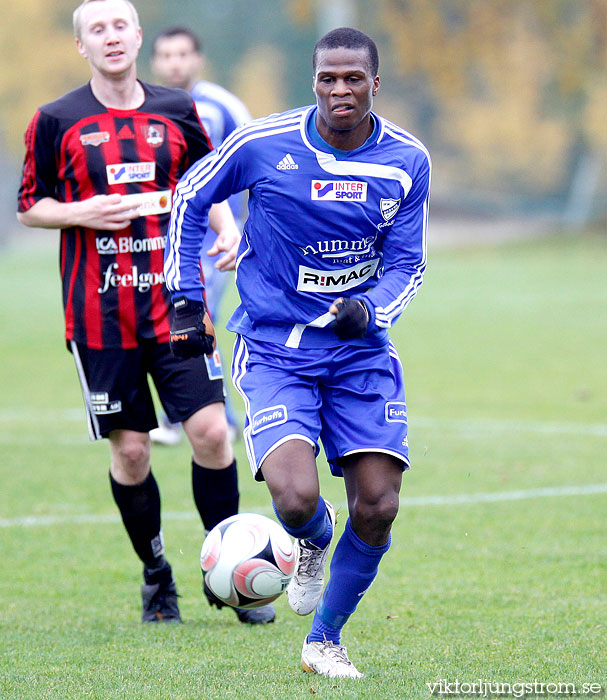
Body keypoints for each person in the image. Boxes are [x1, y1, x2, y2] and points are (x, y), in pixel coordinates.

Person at [164, 26, 431, 677]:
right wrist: (184, 298)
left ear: (375, 83)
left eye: (352, 79)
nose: (339, 90)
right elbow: (190, 196)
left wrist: (371, 310)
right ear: (313, 81)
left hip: (357, 351)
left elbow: (407, 263)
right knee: (291, 498)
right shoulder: (264, 143)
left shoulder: (407, 159)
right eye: (327, 79)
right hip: (275, 346)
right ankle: (312, 540)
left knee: (379, 503)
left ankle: (324, 640)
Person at [17, 0, 275, 625]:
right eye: (95, 30)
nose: (110, 38)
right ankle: (156, 573)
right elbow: (30, 205)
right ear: (82, 45)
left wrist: (226, 229)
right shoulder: (55, 119)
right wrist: (82, 212)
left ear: (137, 37)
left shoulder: (176, 110)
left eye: (119, 26)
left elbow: (204, 180)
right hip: (99, 314)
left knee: (212, 435)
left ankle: (230, 570)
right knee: (131, 452)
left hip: (175, 303)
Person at [149, 26, 251, 446]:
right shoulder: (146, 108)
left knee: (195, 312)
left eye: (182, 54)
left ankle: (211, 416)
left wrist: (241, 226)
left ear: (198, 59)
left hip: (213, 237)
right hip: (161, 238)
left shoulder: (223, 106)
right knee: (172, 316)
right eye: (166, 55)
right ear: (154, 62)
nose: (175, 62)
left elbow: (254, 158)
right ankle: (192, 413)